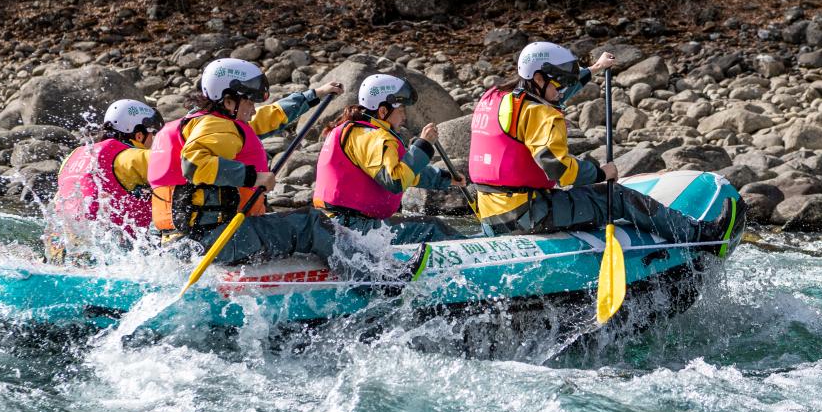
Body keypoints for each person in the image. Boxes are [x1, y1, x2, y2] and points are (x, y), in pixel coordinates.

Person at [468, 41, 744, 252]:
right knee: (619, 196)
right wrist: (601, 172)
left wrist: (595, 69)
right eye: (559, 82)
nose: (563, 90)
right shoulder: (541, 114)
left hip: (491, 215)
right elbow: (557, 168)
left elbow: (554, 94)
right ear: (538, 78)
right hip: (527, 215)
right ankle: (704, 238)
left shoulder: (497, 98)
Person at [147, 57, 345, 262]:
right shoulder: (217, 126)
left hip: (181, 242)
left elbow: (267, 118)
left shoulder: (200, 122)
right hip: (218, 242)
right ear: (228, 101)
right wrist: (254, 177)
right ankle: (361, 274)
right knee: (312, 223)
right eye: (250, 102)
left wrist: (314, 95)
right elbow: (193, 164)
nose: (253, 109)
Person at [313, 74, 467, 246]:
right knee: (432, 228)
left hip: (339, 225)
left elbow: (406, 172)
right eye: (401, 110)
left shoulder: (358, 131)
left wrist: (444, 178)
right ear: (383, 111)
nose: (404, 117)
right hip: (352, 229)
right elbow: (395, 180)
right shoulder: (373, 137)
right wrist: (423, 145)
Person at [46, 99, 163, 263]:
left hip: (63, 245)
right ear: (139, 135)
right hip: (114, 250)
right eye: (152, 134)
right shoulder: (130, 158)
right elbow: (177, 165)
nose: (153, 141)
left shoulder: (72, 157)